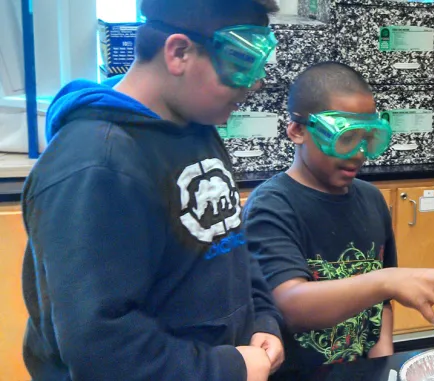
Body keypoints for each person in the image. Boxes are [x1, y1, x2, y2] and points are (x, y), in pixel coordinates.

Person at [21, 0, 285, 379]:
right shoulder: (95, 166)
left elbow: (230, 242)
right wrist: (227, 369)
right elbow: (102, 346)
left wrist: (263, 317)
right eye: (241, 65)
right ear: (179, 52)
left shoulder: (195, 126)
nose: (255, 83)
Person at [242, 62, 434, 371]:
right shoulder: (272, 205)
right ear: (297, 130)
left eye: (367, 139)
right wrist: (386, 281)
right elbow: (287, 305)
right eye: (345, 138)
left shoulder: (371, 199)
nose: (358, 153)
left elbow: (381, 304)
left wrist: (383, 364)